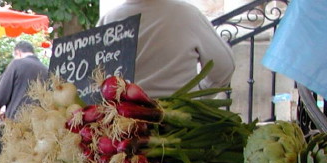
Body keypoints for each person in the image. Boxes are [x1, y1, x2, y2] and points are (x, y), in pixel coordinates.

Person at [97, 0, 235, 98]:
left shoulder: (109, 19)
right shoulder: (186, 14)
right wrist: (201, 95)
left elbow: (91, 79)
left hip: (123, 128)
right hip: (182, 125)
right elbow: (224, 66)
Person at [0, 40, 48, 121]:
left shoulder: (16, 64)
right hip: (40, 122)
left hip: (16, 121)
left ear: (18, 53)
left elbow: (2, 92)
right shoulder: (46, 69)